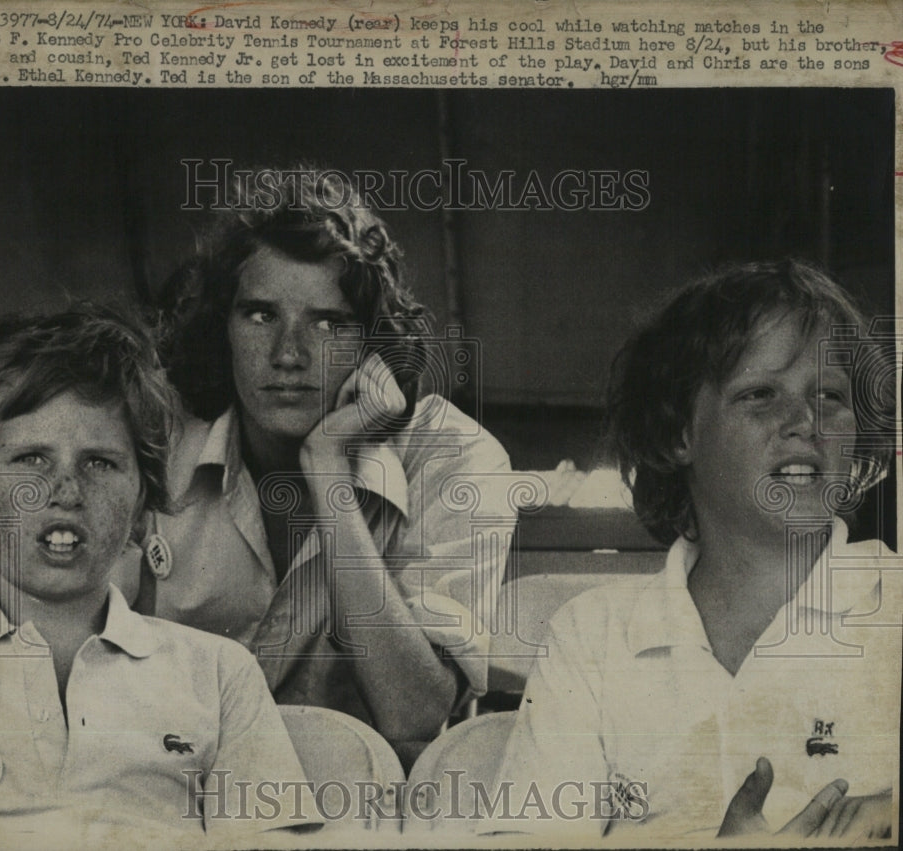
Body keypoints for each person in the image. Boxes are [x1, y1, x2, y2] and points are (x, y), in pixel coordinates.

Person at [489, 261, 900, 843]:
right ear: (678, 434)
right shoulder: (592, 638)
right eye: (760, 394)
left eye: (829, 395)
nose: (806, 422)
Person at [134, 168, 517, 763]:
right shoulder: (156, 436)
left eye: (327, 322)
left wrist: (329, 469)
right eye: (260, 315)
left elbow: (414, 716)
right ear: (223, 327)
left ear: (371, 342)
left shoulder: (457, 457)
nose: (289, 354)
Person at [0, 307, 321, 846]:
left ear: (143, 498)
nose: (66, 491)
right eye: (31, 458)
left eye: (100, 463)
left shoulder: (219, 675)